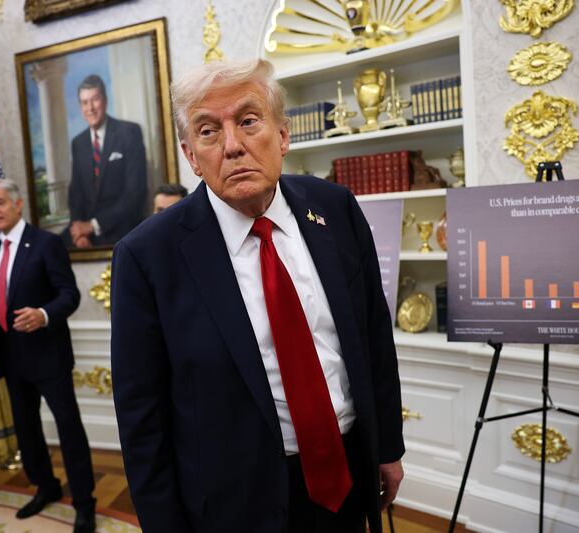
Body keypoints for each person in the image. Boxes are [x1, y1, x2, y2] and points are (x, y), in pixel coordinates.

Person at [110, 59, 404, 533]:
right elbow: (142, 417)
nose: (232, 145)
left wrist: (387, 447)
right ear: (191, 156)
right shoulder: (147, 257)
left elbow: (374, 338)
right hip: (234, 501)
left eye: (248, 121)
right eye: (208, 131)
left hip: (347, 470)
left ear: (282, 135)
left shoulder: (336, 209)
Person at [0, 179, 96, 533]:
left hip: (48, 355)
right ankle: (45, 486)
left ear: (18, 204)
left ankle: (84, 502)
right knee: (26, 430)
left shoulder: (45, 243)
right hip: (11, 356)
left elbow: (69, 294)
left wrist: (43, 314)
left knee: (69, 429)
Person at [66, 74, 148, 248]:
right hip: (87, 235)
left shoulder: (129, 132)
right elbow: (75, 194)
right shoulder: (78, 143)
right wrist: (78, 232)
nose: (90, 108)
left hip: (124, 231)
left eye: (95, 100)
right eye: (84, 102)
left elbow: (135, 193)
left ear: (105, 101)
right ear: (80, 107)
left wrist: (93, 225)